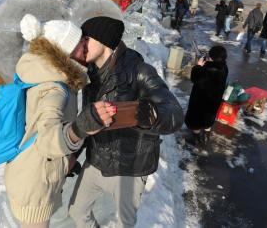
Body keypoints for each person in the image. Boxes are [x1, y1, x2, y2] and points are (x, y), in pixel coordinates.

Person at [69, 16, 184, 228]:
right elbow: (89, 121)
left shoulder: (138, 70)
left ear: (103, 41)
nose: (80, 44)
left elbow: (174, 111)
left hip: (130, 166)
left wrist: (151, 114)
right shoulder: (90, 75)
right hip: (96, 160)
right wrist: (72, 155)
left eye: (86, 38)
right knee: (76, 212)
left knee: (125, 223)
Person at [4, 15, 116, 228]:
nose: (86, 49)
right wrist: (81, 127)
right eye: (82, 44)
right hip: (33, 184)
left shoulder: (45, 73)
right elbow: (48, 140)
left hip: (29, 171)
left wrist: (69, 158)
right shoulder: (53, 88)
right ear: (67, 52)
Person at [184, 45, 228, 149]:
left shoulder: (207, 70)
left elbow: (194, 77)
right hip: (214, 101)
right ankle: (207, 136)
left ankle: (196, 139)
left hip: (200, 102)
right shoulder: (224, 67)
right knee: (208, 120)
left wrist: (198, 66)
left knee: (196, 122)